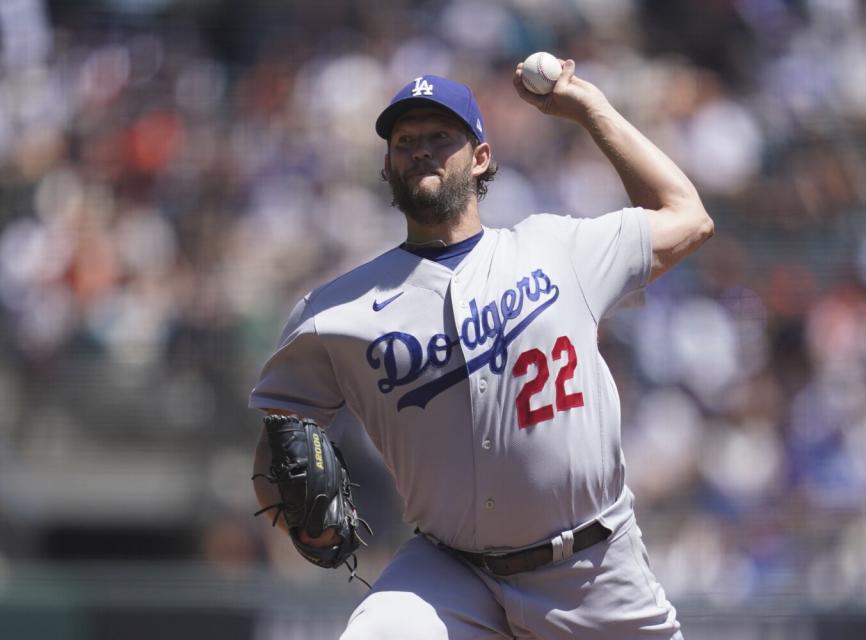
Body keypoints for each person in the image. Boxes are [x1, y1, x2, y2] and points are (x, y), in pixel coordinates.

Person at [250, 59, 713, 639]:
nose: (421, 150)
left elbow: (688, 219)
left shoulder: (556, 248)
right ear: (387, 166)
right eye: (405, 141)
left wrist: (590, 109)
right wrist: (297, 522)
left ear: (481, 157)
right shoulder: (335, 312)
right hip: (449, 571)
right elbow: (279, 437)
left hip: (591, 568)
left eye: (440, 137)